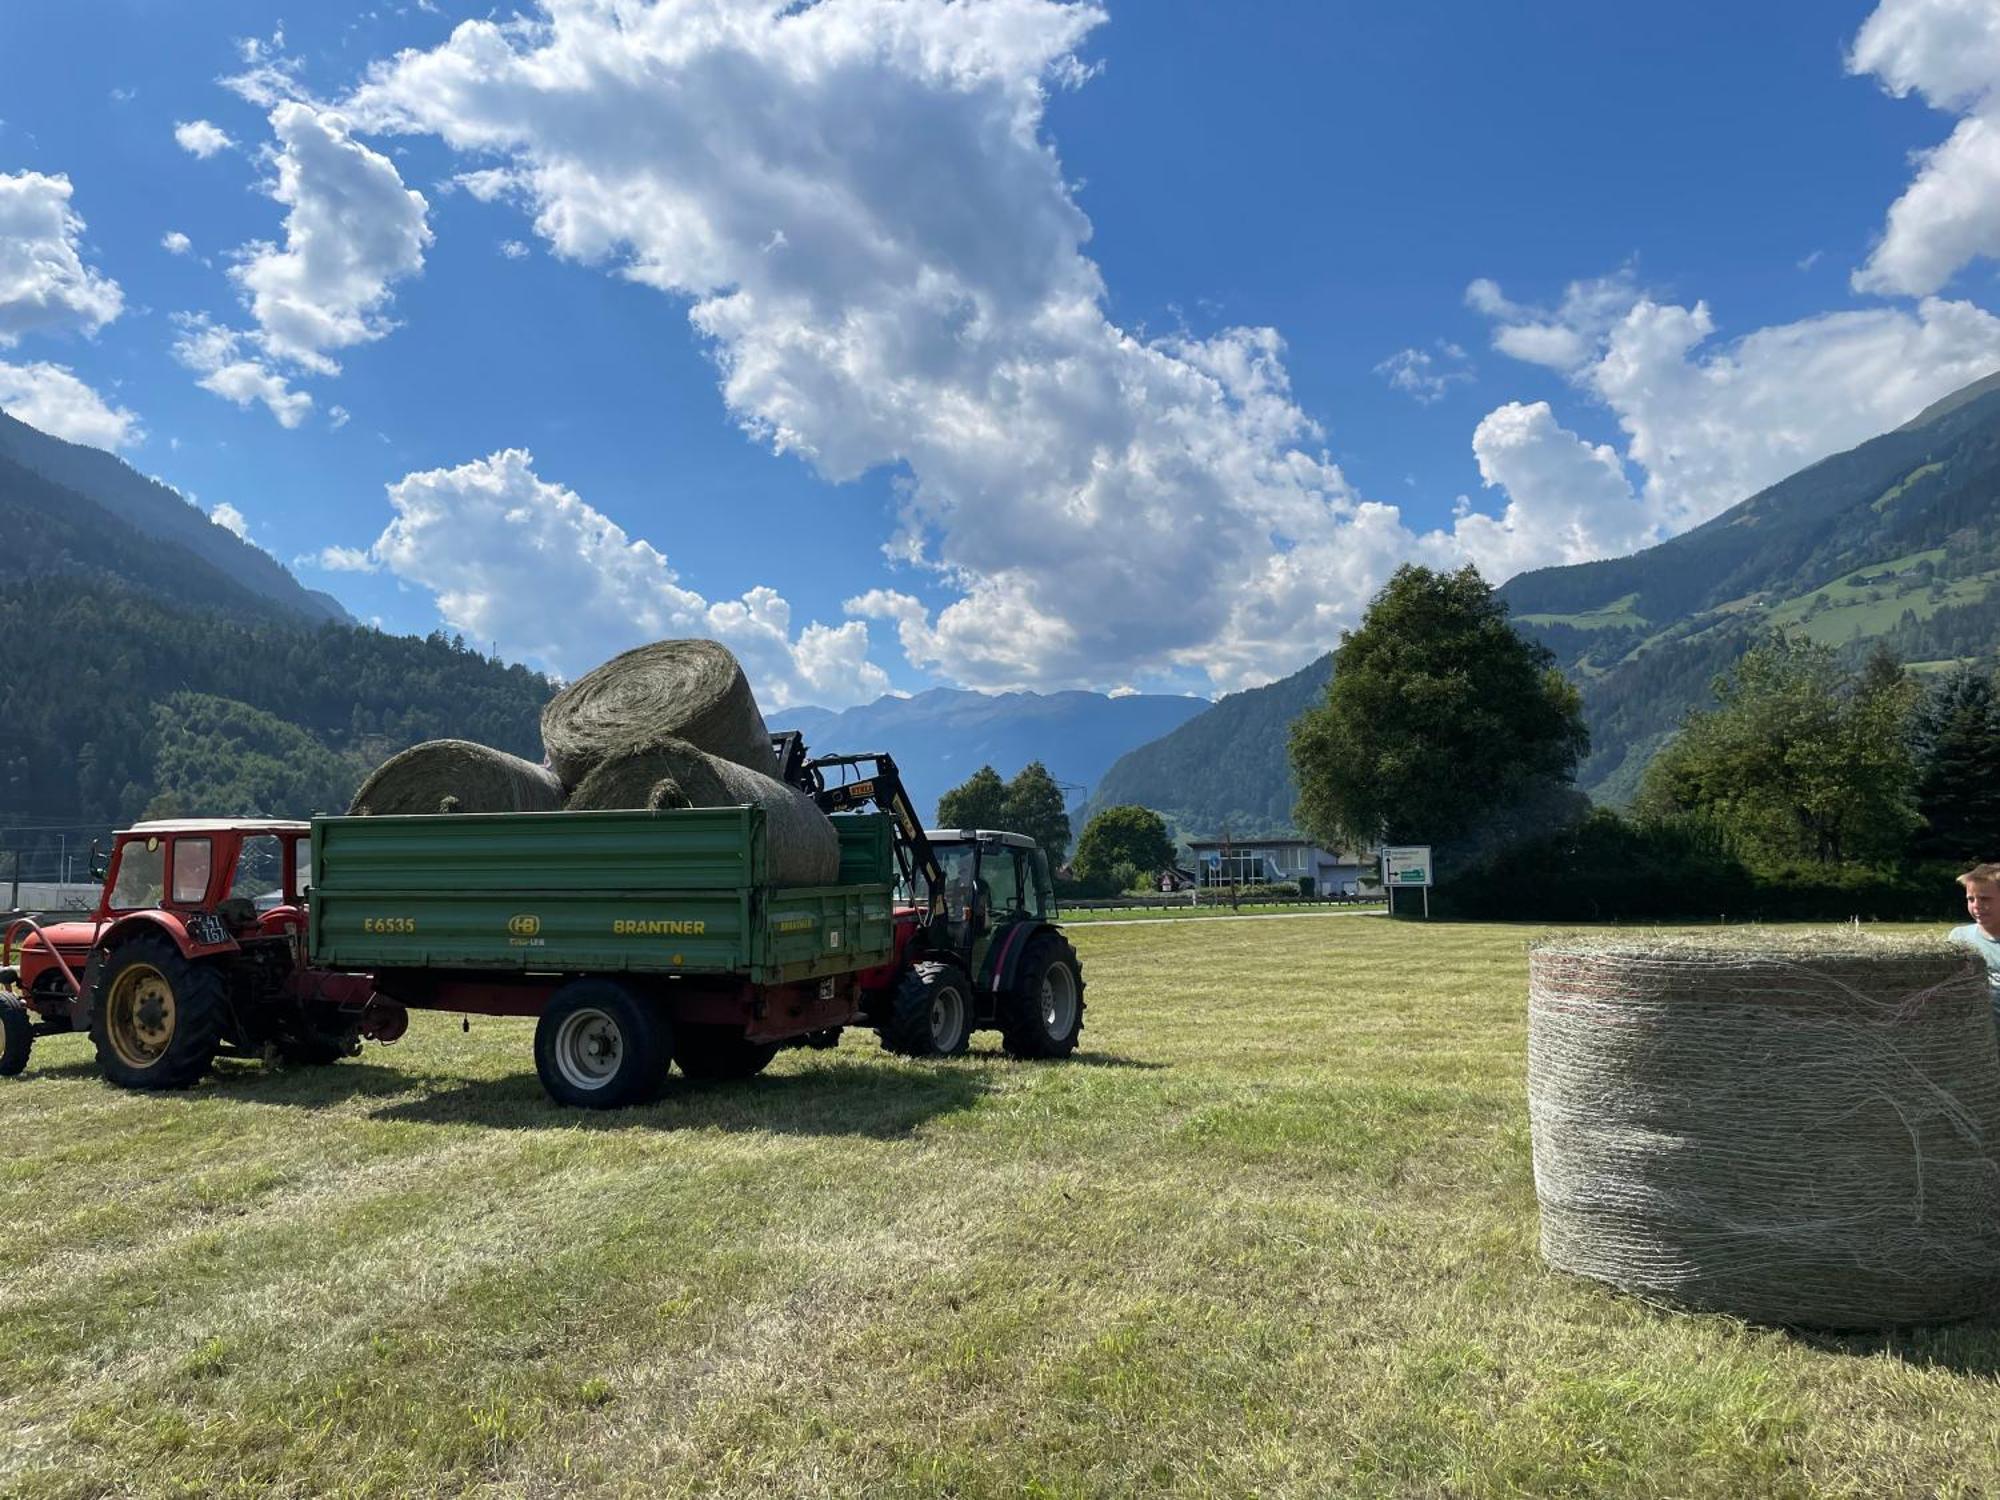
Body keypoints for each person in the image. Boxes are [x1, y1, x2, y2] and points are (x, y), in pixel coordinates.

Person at [1949, 863, 2000, 1010]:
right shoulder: (1959, 937)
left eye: (1985, 899)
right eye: (1971, 899)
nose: (1976, 905)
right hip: (1975, 1024)